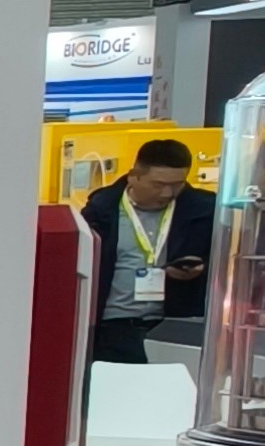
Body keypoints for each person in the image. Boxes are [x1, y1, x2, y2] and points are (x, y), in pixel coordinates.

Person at [81, 137, 215, 367]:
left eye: (177, 184)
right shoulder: (100, 211)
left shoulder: (205, 211)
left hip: (176, 328)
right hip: (114, 328)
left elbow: (227, 263)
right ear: (134, 176)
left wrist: (201, 270)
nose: (167, 192)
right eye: (158, 184)